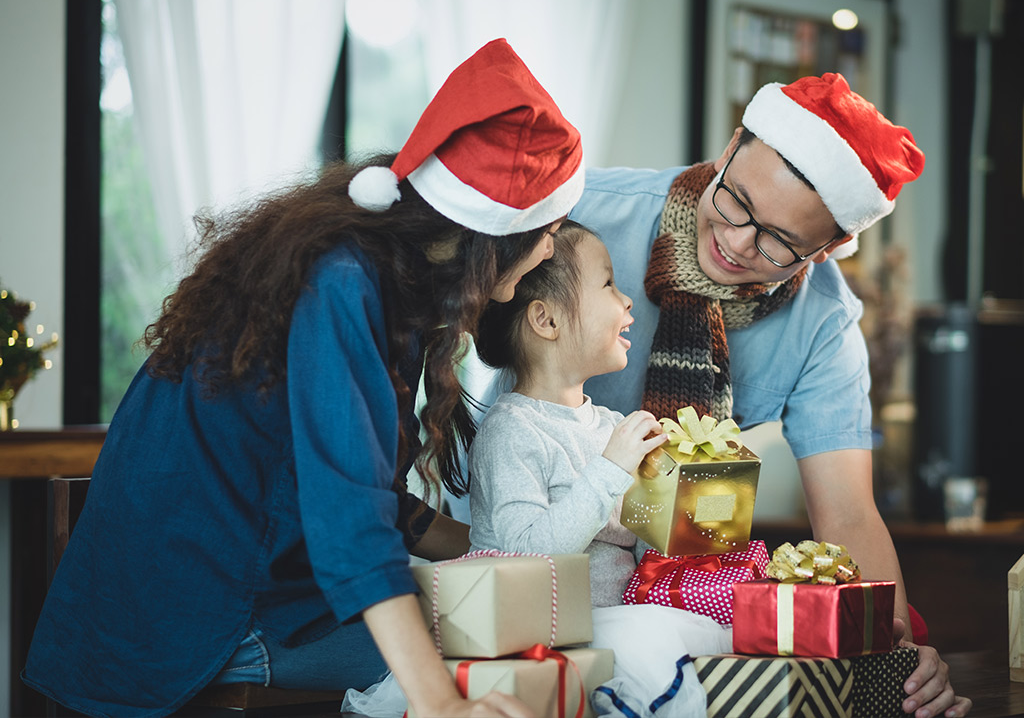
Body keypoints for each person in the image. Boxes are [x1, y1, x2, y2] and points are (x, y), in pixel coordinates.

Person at [23, 39, 584, 718]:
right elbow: (353, 527)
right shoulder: (344, 285)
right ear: (490, 240)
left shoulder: (377, 284)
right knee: (482, 647)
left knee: (491, 620)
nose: (551, 249)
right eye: (547, 231)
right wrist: (443, 704)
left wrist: (493, 552)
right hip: (190, 625)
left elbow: (373, 500)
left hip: (202, 596)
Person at [565, 73, 972, 717]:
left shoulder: (824, 324)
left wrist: (896, 650)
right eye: (736, 203)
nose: (736, 243)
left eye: (780, 242)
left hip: (676, 598)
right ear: (728, 150)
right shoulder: (585, 212)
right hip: (537, 561)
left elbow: (846, 516)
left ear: (830, 247)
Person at [469, 222, 727, 718]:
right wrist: (612, 468)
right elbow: (523, 553)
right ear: (545, 320)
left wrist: (690, 491)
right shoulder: (512, 431)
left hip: (616, 630)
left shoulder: (612, 426)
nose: (628, 301)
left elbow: (648, 542)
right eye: (608, 284)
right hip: (542, 643)